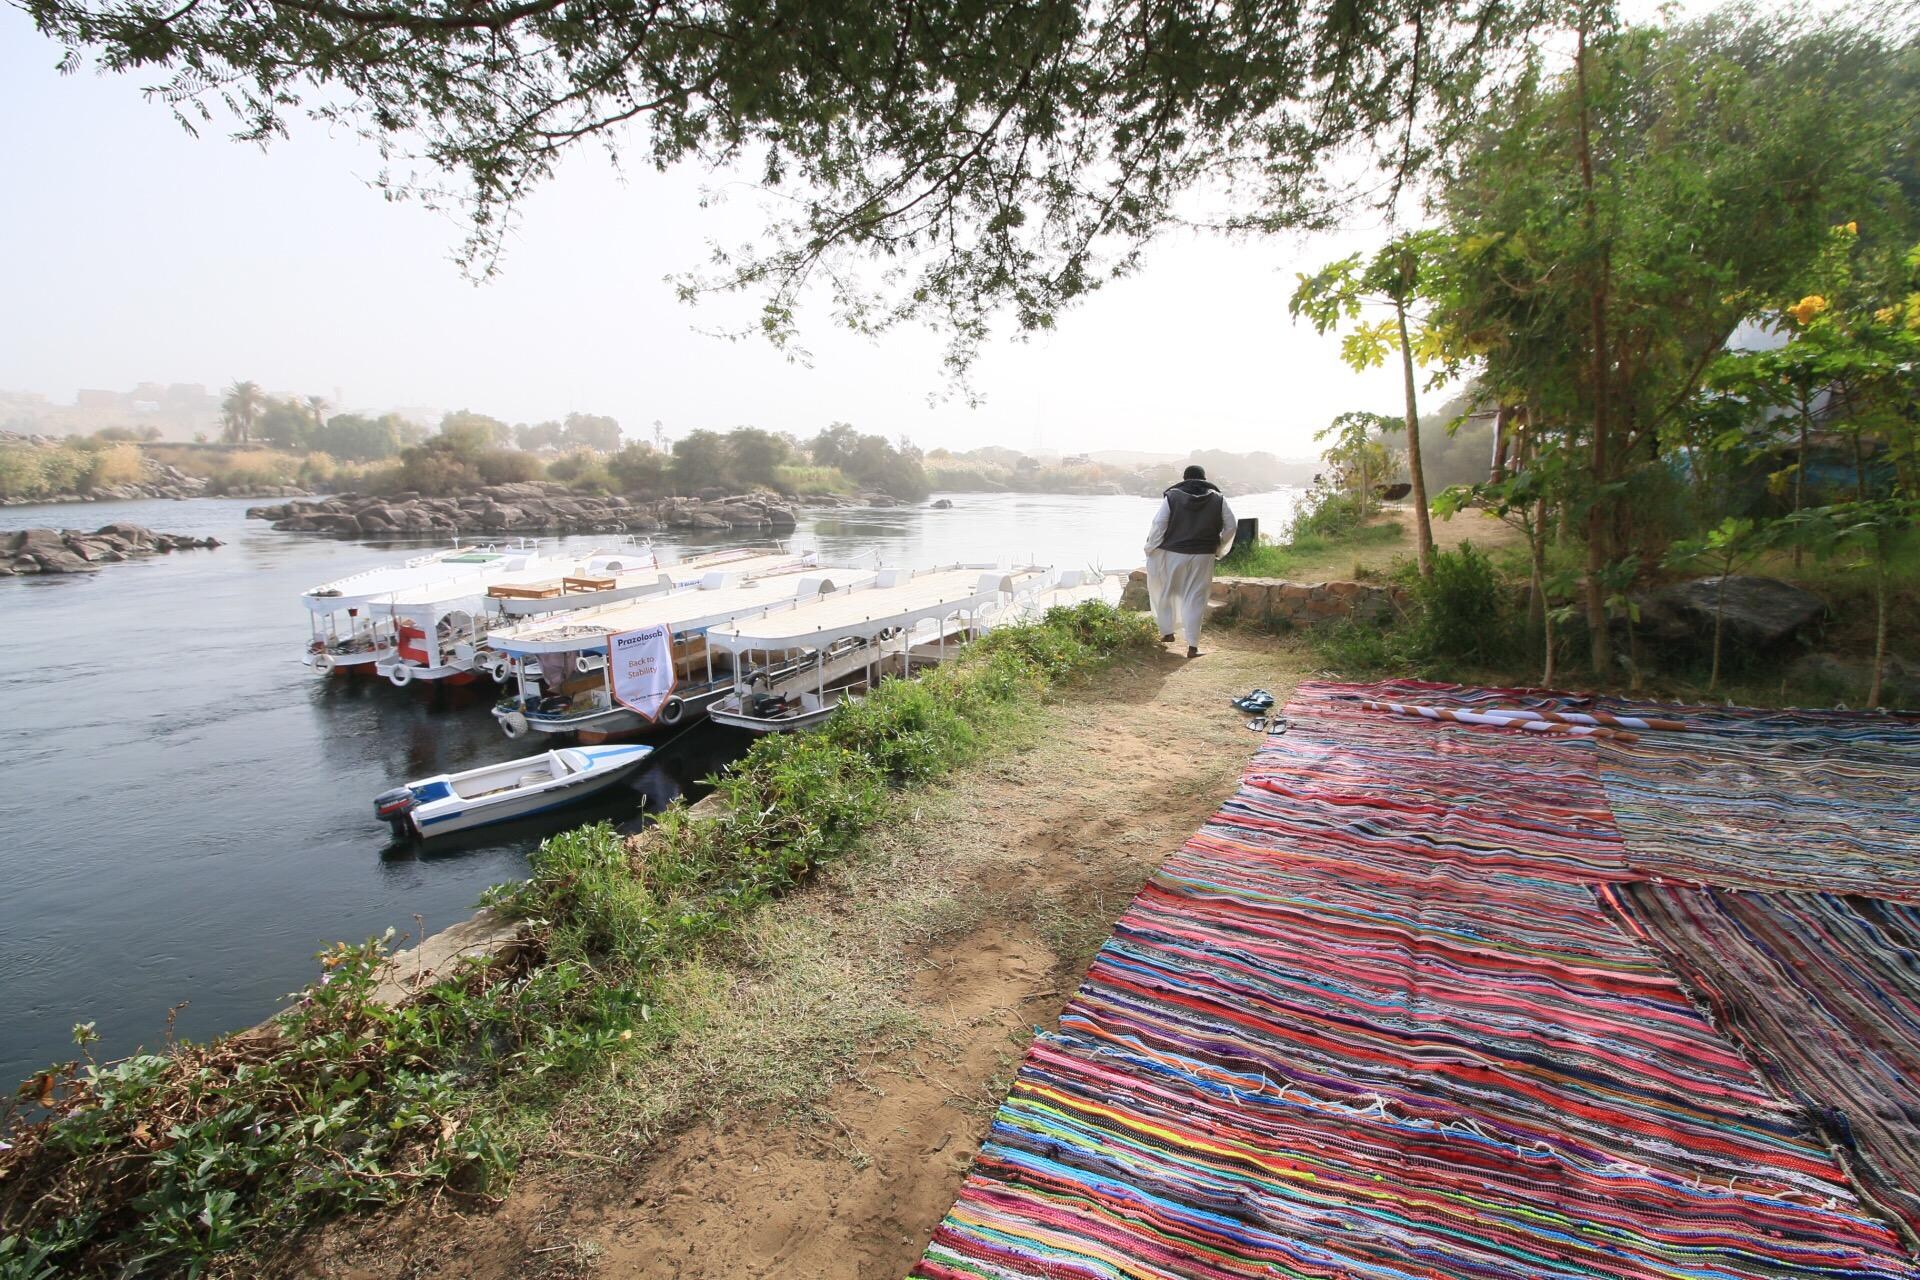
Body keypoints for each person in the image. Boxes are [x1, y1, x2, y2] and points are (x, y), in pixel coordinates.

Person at [1144, 464, 1237, 658]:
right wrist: (1219, 548)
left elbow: (1159, 524)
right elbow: (1231, 526)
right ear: (1204, 479)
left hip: (1173, 553)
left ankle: (1167, 632)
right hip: (1204, 555)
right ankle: (1193, 647)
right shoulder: (1218, 499)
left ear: (1185, 478)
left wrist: (1151, 547)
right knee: (1196, 598)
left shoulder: (1172, 497)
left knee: (1168, 591)